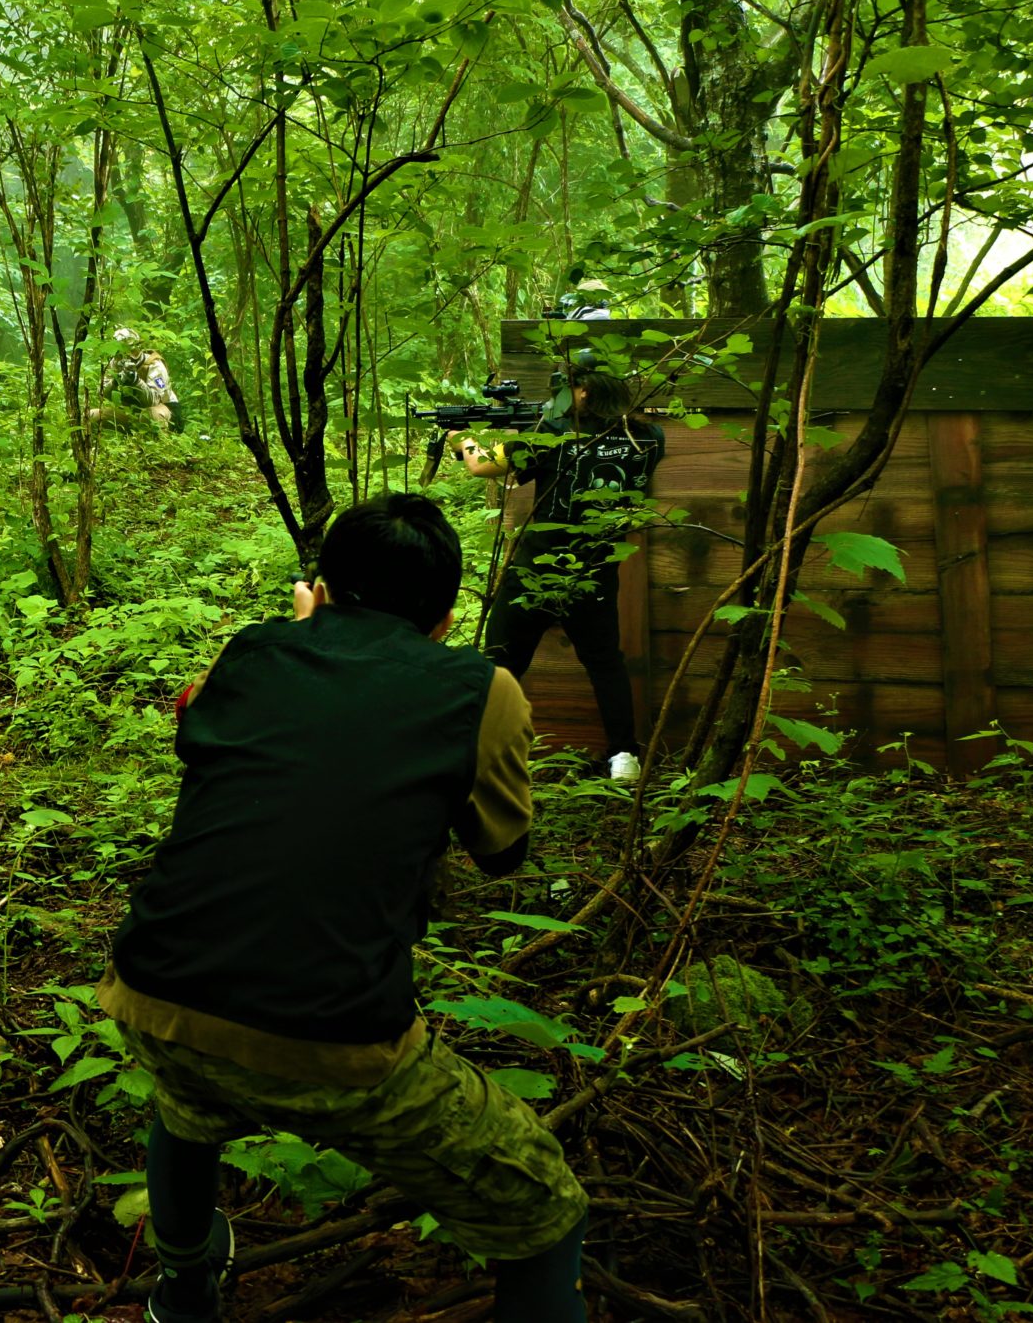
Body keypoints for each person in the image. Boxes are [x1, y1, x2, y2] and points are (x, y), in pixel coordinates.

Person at [97, 494, 588, 1323]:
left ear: (322, 587)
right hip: (333, 1035)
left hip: (152, 992)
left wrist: (302, 634)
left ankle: (181, 1290)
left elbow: (199, 730)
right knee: (546, 1207)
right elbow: (502, 851)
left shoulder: (252, 651)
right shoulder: (480, 687)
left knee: (187, 1103)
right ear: (446, 613)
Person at [458, 355, 664, 782]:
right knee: (606, 663)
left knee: (501, 662)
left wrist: (462, 438)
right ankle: (624, 758)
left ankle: (475, 751)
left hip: (537, 568)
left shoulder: (550, 433)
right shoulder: (648, 436)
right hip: (596, 570)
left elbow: (482, 465)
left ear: (583, 391)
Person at [111, 327, 179, 431]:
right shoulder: (114, 364)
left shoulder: (154, 364)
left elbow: (154, 400)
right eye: (122, 353)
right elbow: (102, 394)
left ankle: (158, 443)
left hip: (164, 409)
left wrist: (136, 381)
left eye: (133, 351)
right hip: (130, 412)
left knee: (148, 416)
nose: (129, 356)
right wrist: (114, 382)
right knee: (92, 415)